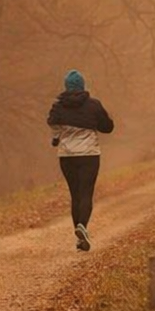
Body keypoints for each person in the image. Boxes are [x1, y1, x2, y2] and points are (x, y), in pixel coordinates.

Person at [47, 69, 114, 251]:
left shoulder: (58, 107)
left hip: (67, 157)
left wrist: (55, 138)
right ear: (82, 86)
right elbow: (108, 127)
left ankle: (79, 238)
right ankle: (82, 227)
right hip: (89, 155)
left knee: (75, 195)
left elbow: (53, 124)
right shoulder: (93, 105)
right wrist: (96, 123)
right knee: (86, 194)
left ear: (67, 87)